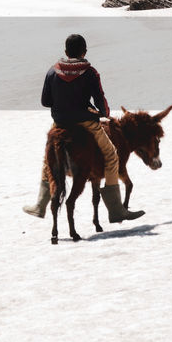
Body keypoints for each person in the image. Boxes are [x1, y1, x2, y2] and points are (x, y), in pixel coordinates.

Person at [25, 33, 143, 222]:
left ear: (65, 52)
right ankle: (115, 210)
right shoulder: (90, 72)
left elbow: (45, 101)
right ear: (84, 51)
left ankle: (40, 205)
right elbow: (101, 102)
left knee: (48, 161)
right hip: (86, 122)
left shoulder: (51, 71)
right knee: (112, 156)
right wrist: (102, 112)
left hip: (60, 124)